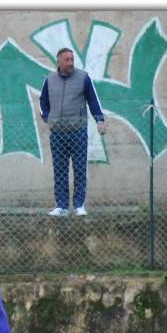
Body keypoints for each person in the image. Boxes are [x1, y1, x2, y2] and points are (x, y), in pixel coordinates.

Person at [39, 48, 105, 217]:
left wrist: (99, 120)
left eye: (72, 59)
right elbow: (43, 101)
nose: (70, 63)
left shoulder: (83, 77)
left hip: (78, 132)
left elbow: (93, 99)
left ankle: (79, 205)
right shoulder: (49, 80)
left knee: (80, 169)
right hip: (57, 134)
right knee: (59, 170)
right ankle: (61, 206)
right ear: (59, 61)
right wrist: (48, 117)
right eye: (67, 60)